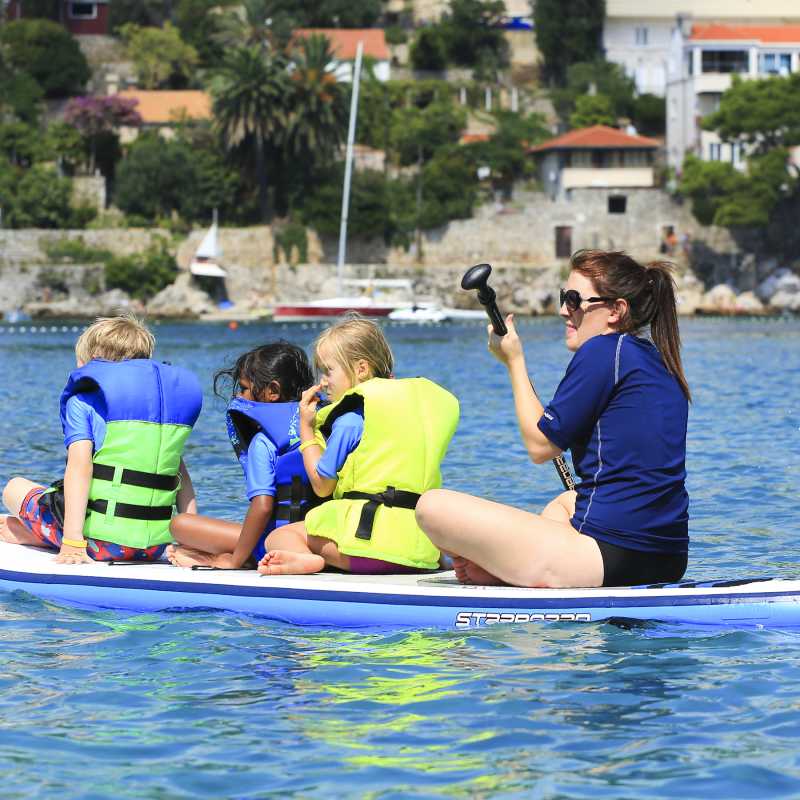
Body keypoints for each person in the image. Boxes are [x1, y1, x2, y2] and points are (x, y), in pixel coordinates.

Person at [415, 249, 691, 588]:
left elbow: (540, 446)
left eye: (575, 300)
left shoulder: (603, 351)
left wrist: (515, 363)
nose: (564, 309)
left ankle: (530, 575)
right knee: (565, 503)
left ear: (616, 311)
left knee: (432, 506)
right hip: (669, 557)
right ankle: (523, 570)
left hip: (614, 557)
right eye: (565, 297)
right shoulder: (656, 359)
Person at [258, 314, 459, 576]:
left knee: (280, 537)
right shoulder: (412, 414)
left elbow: (322, 484)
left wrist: (306, 428)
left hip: (365, 549)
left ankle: (309, 560)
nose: (322, 381)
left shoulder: (351, 419)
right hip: (421, 551)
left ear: (361, 369)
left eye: (328, 370)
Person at [0, 316, 202, 563]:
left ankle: (40, 534)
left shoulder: (82, 401)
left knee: (14, 488)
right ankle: (42, 532)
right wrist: (192, 543)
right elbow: (180, 475)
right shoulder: (159, 412)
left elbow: (80, 468)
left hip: (100, 545)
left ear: (90, 361)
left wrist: (73, 543)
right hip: (154, 547)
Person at [167, 342, 318, 569]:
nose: (239, 395)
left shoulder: (264, 441)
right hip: (318, 537)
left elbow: (263, 506)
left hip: (275, 541)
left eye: (245, 388)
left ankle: (230, 557)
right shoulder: (322, 426)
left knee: (180, 525)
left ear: (273, 391)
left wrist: (232, 560)